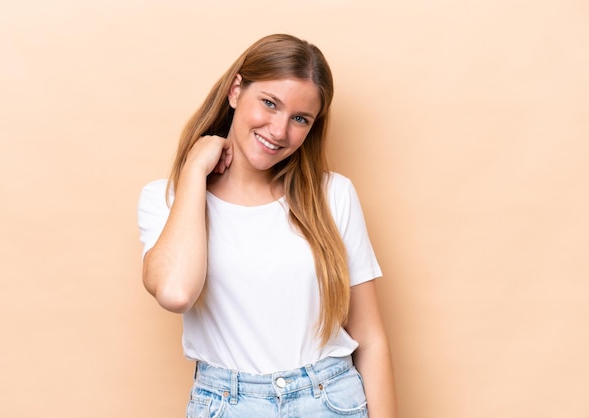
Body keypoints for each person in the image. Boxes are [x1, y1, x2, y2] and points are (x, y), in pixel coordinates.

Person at [138, 33, 397, 417]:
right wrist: (195, 171)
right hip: (227, 405)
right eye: (269, 104)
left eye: (299, 119)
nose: (279, 131)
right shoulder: (166, 200)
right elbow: (176, 293)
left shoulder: (333, 195)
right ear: (236, 90)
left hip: (330, 401)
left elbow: (370, 338)